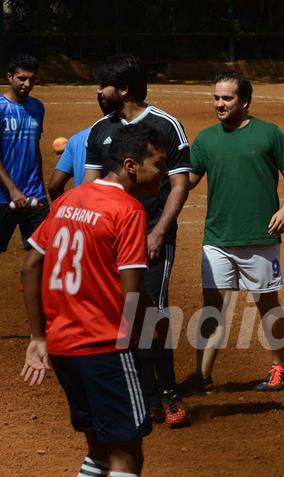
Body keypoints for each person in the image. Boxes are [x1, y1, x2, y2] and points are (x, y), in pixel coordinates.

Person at [21, 122, 167, 477]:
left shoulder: (70, 199)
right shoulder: (128, 210)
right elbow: (131, 291)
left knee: (99, 452)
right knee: (126, 455)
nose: (162, 174)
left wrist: (38, 336)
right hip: (106, 348)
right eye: (158, 164)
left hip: (63, 348)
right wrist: (153, 329)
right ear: (131, 165)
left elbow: (29, 267)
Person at [83, 54, 191, 427]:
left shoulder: (166, 125)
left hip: (150, 234)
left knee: (153, 313)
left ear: (124, 89)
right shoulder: (100, 131)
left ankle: (169, 390)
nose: (99, 92)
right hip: (112, 237)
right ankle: (144, 393)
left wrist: (159, 231)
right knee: (124, 315)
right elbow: (90, 187)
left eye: (104, 86)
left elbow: (179, 184)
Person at [181, 70, 284, 394]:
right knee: (212, 308)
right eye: (216, 98)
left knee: (266, 303)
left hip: (260, 236)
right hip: (217, 238)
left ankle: (280, 366)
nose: (219, 104)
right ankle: (202, 375)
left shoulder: (268, 134)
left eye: (227, 98)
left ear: (244, 101)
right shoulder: (205, 139)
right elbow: (188, 182)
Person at [0, 53, 49, 253]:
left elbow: (34, 148)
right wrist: (12, 190)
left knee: (42, 253)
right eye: (22, 78)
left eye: (32, 79)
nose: (27, 84)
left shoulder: (37, 107)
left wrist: (41, 188)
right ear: (9, 77)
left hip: (34, 195)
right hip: (3, 196)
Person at [48, 94, 113, 200]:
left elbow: (54, 186)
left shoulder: (76, 139)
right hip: (113, 212)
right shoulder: (129, 138)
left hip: (83, 211)